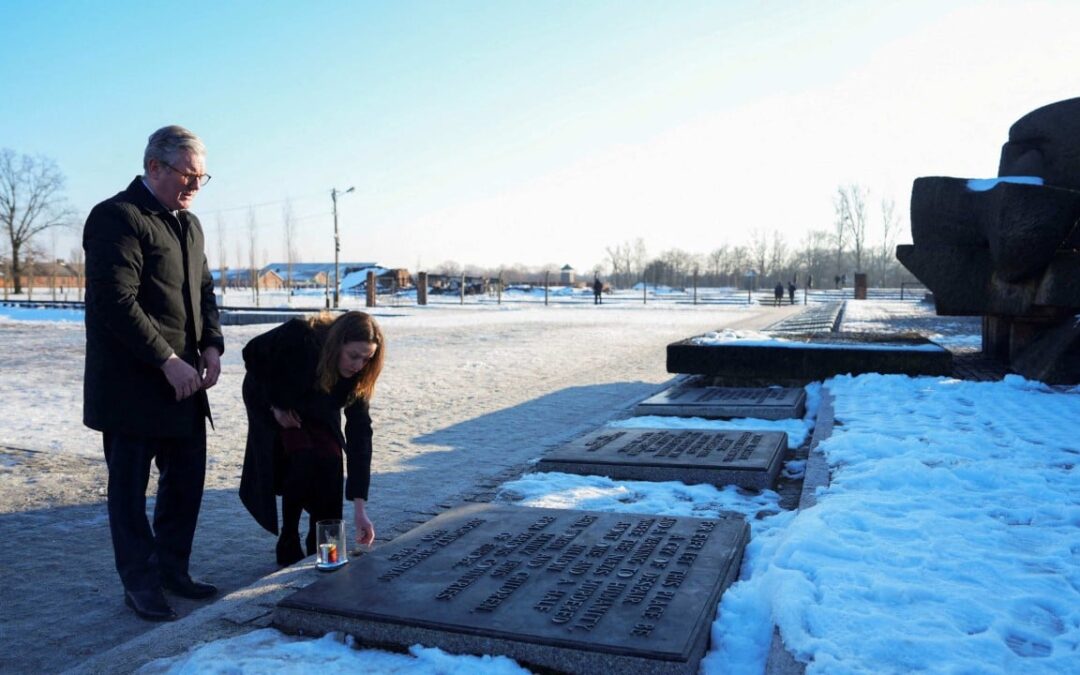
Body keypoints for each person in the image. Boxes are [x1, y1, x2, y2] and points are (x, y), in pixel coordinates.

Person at [83, 125, 223, 622]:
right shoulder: (116, 217)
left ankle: (172, 569)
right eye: (187, 175)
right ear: (154, 167)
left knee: (186, 483)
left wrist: (211, 345)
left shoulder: (190, 224)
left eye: (202, 178)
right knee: (129, 491)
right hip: (133, 384)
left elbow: (204, 291)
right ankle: (139, 584)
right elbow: (114, 302)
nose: (193, 187)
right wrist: (166, 359)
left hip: (186, 382)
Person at [239, 311, 384, 567]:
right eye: (353, 356)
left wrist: (360, 509)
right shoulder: (302, 335)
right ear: (337, 343)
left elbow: (360, 437)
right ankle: (288, 538)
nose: (358, 365)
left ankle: (325, 548)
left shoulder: (359, 376)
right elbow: (252, 352)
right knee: (301, 455)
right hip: (274, 398)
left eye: (367, 358)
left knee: (330, 458)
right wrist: (277, 405)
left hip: (317, 407)